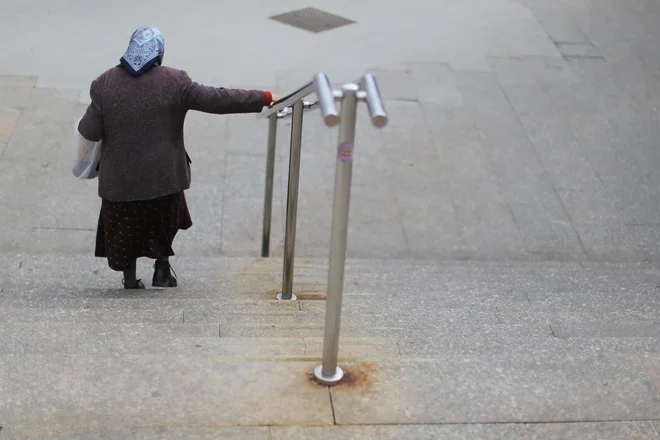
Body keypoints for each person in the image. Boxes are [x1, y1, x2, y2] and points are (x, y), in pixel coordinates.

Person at [78, 26, 279, 289]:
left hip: (120, 184)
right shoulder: (175, 81)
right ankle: (162, 268)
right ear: (158, 51)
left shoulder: (104, 83)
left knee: (124, 231)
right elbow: (217, 99)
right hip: (164, 178)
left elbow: (89, 131)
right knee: (162, 221)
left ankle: (129, 280)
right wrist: (262, 98)